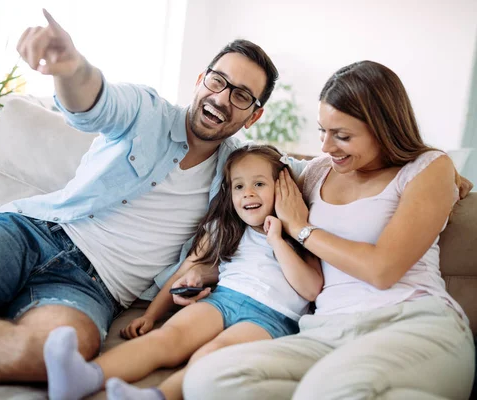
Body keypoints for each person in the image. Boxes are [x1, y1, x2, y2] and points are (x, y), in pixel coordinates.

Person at [0, 10, 308, 383]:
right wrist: (69, 68)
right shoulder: (146, 110)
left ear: (254, 114)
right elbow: (95, 101)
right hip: (32, 234)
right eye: (218, 81)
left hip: (94, 288)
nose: (221, 98)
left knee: (49, 355)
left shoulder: (241, 173)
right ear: (201, 79)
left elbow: (310, 183)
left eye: (241, 96)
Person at [182, 61, 476, 399]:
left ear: (384, 128)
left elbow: (382, 270)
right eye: (323, 130)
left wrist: (303, 229)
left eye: (343, 136)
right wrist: (201, 271)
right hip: (325, 333)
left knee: (328, 389)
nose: (326, 146)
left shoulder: (426, 168)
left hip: (411, 323)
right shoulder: (316, 172)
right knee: (208, 379)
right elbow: (253, 179)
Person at [42, 144, 323, 400]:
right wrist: (152, 315)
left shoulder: (301, 232)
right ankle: (83, 377)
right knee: (168, 337)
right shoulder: (228, 229)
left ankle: (159, 396)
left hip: (272, 319)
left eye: (259, 184)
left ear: (283, 187)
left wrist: (277, 238)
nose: (247, 193)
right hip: (223, 300)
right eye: (238, 186)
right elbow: (186, 269)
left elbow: (311, 289)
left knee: (211, 353)